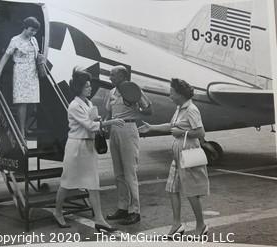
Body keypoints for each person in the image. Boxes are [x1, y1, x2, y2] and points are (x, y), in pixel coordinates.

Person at [54, 68, 125, 231]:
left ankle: (99, 219)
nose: (90, 88)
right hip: (76, 147)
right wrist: (110, 122)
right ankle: (58, 212)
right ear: (79, 88)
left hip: (88, 147)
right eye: (86, 86)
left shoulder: (89, 103)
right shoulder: (74, 105)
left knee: (93, 184)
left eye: (89, 85)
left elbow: (94, 122)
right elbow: (89, 125)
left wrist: (101, 121)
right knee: (67, 182)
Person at [138, 78, 209, 237]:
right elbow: (171, 126)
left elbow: (200, 132)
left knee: (191, 191)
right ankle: (177, 225)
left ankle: (201, 225)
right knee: (172, 188)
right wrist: (151, 128)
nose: (169, 95)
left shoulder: (191, 109)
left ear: (180, 94)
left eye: (172, 93)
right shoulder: (180, 108)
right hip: (178, 152)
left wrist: (182, 133)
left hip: (188, 150)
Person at [104, 65, 152, 225]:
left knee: (130, 173)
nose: (110, 77)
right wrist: (103, 127)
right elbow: (108, 113)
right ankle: (122, 207)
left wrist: (135, 104)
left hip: (128, 129)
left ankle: (135, 211)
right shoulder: (111, 92)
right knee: (118, 173)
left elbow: (148, 110)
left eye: (113, 75)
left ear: (122, 76)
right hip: (114, 130)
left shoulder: (134, 89)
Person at [0, 17, 42, 138]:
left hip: (33, 73)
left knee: (32, 103)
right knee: (22, 102)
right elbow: (6, 56)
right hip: (20, 72)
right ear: (25, 27)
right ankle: (21, 131)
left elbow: (37, 54)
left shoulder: (34, 40)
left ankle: (25, 126)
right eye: (31, 30)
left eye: (35, 31)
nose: (33, 33)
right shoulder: (15, 40)